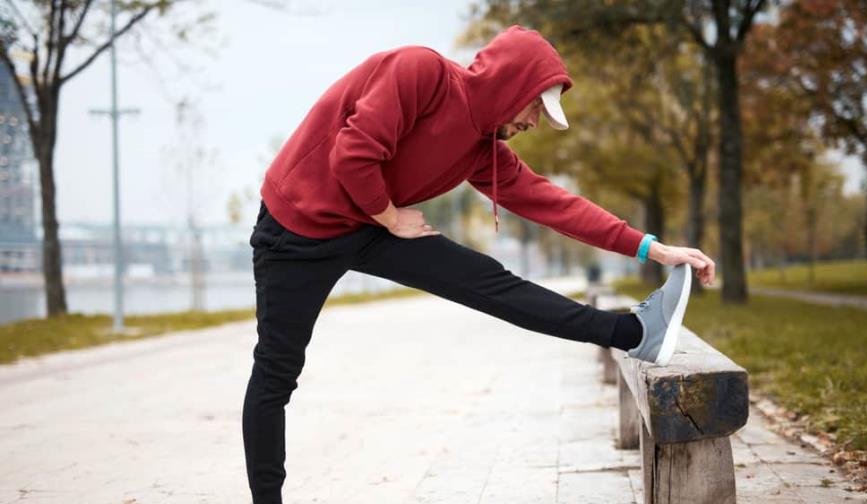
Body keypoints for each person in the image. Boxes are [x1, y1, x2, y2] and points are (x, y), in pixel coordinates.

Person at [242, 25, 716, 503]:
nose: (534, 123)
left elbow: (554, 204)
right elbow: (354, 154)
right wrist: (390, 217)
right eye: (535, 107)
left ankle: (634, 334)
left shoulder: (481, 151)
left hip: (372, 223)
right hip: (298, 227)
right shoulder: (420, 72)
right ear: (512, 85)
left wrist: (652, 249)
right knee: (277, 373)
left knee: (491, 283)